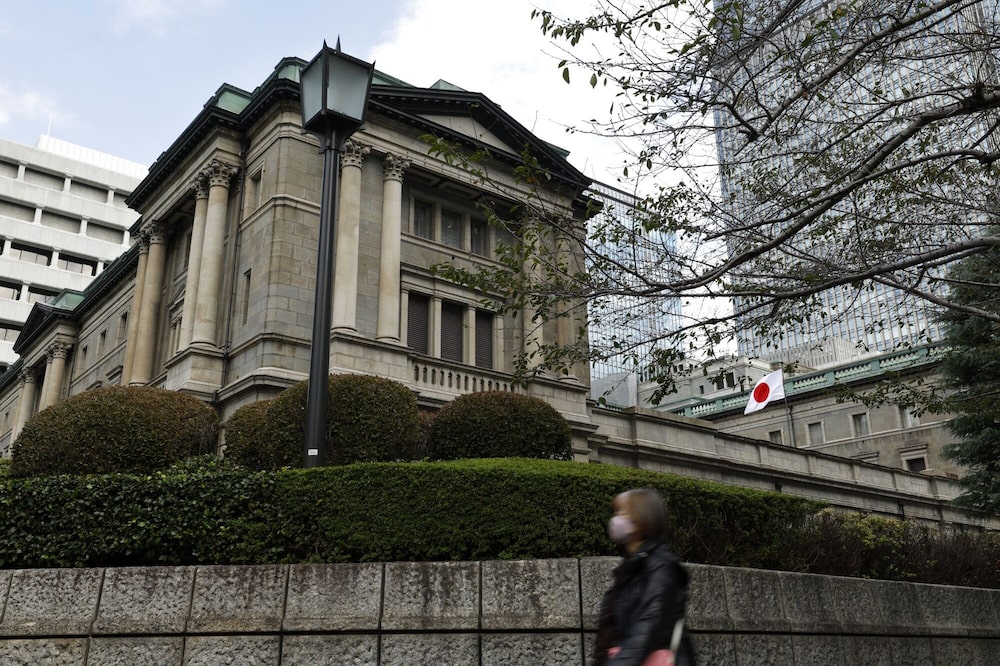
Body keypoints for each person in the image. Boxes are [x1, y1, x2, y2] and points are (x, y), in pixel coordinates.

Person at [594, 488, 696, 666]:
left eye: (621, 513)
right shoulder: (631, 567)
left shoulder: (661, 565)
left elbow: (649, 626)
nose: (616, 519)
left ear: (639, 520)